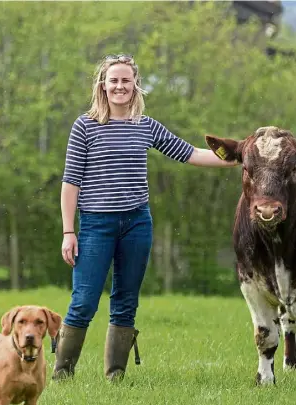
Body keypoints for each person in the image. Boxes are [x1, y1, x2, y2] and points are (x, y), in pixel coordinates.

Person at [53, 54, 237, 382]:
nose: (120, 86)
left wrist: (243, 157)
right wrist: (69, 231)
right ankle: (62, 376)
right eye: (114, 80)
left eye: (126, 80)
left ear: (135, 85)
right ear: (103, 86)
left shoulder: (146, 126)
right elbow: (71, 182)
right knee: (84, 301)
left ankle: (115, 377)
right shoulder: (85, 126)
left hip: (137, 224)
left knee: (126, 301)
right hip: (96, 225)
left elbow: (192, 154)